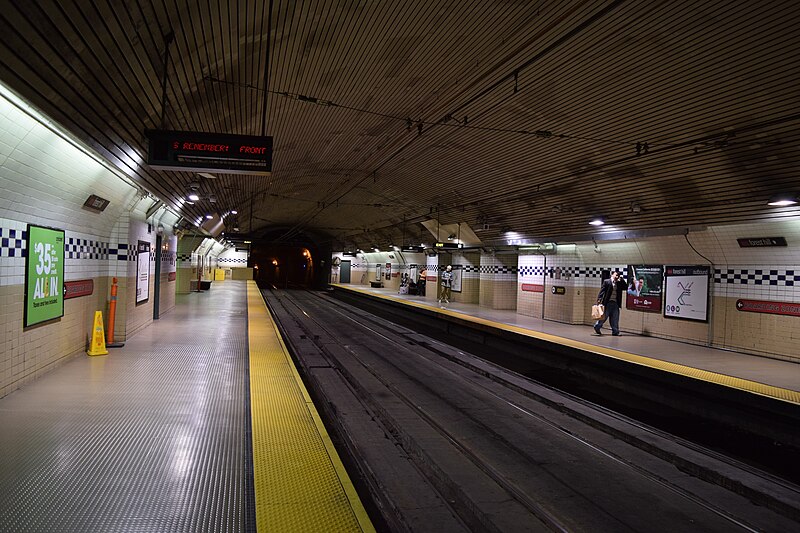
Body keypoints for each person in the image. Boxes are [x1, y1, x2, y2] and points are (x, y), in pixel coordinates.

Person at [594, 270, 625, 336]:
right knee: (603, 317)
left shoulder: (619, 283)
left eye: (618, 276)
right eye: (616, 275)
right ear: (612, 275)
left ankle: (615, 331)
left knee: (615, 318)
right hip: (607, 303)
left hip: (615, 303)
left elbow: (626, 287)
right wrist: (599, 299)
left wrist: (622, 280)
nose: (617, 277)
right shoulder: (607, 282)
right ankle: (597, 327)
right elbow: (602, 291)